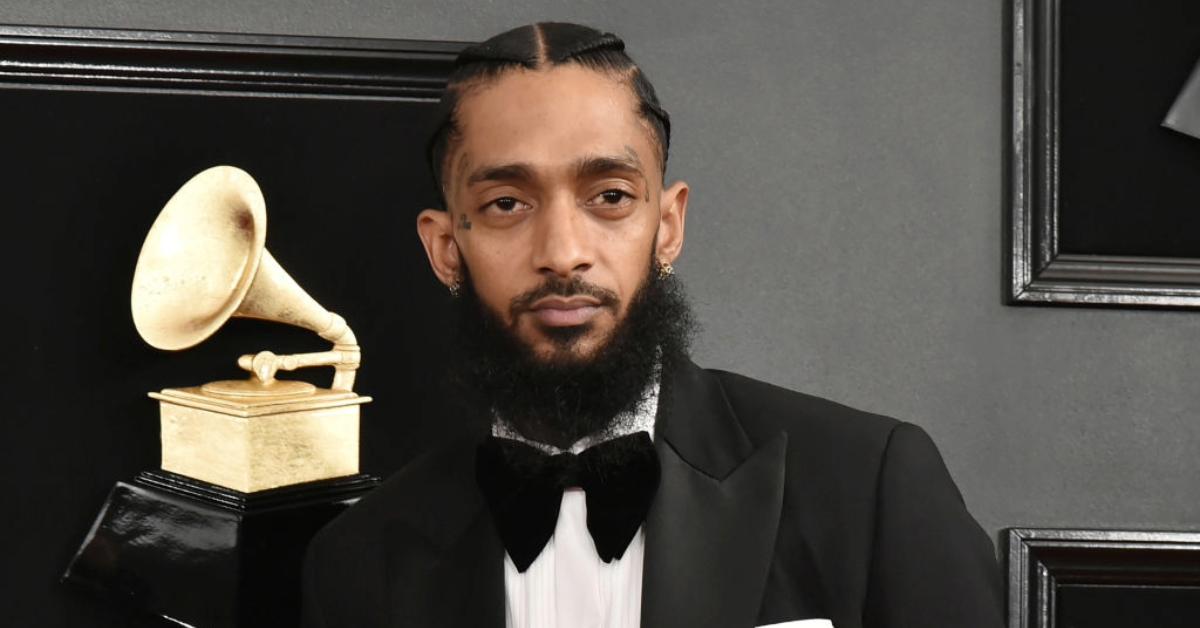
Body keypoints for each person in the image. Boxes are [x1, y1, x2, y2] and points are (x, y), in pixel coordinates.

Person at [302, 22, 1004, 628]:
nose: (563, 252)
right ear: (446, 248)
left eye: (609, 196)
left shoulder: (871, 485)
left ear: (667, 226)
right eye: (508, 204)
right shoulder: (359, 559)